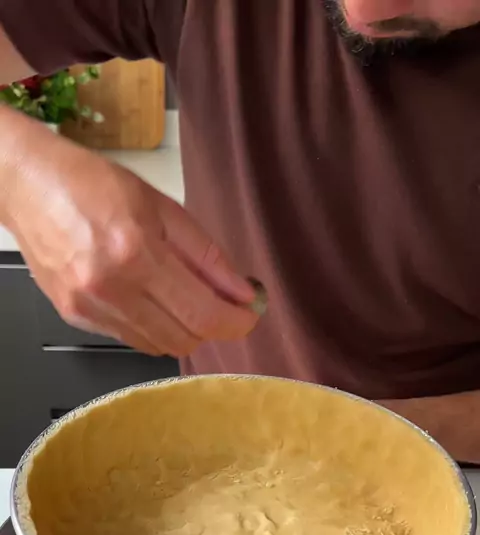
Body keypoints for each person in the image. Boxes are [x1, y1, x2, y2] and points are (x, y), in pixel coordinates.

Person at [0, 1, 480, 461]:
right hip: (218, 457)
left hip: (452, 476)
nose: (365, 10)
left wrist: (346, 431)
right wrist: (19, 176)